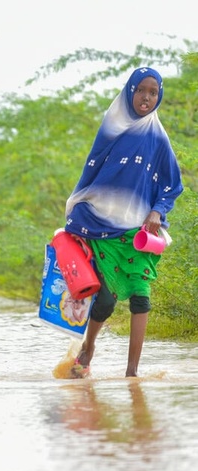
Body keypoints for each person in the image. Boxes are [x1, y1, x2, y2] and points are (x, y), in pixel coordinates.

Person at [64, 67, 183, 378]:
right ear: (131, 90)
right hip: (102, 223)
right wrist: (79, 209)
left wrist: (158, 210)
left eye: (153, 92)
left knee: (141, 297)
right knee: (105, 299)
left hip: (140, 229)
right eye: (141, 90)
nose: (146, 97)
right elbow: (93, 172)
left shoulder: (157, 137)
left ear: (159, 96)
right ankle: (88, 349)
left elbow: (173, 185)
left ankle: (132, 373)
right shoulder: (112, 125)